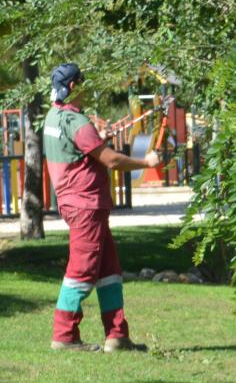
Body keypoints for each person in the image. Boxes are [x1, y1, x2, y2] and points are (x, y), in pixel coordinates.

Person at [44, 63, 160, 352]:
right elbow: (112, 161)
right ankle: (65, 335)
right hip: (86, 206)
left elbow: (81, 150)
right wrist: (147, 162)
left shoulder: (54, 116)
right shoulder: (77, 122)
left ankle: (117, 335)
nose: (86, 86)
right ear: (73, 87)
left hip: (78, 204)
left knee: (109, 271)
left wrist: (98, 139)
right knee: (81, 270)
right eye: (82, 82)